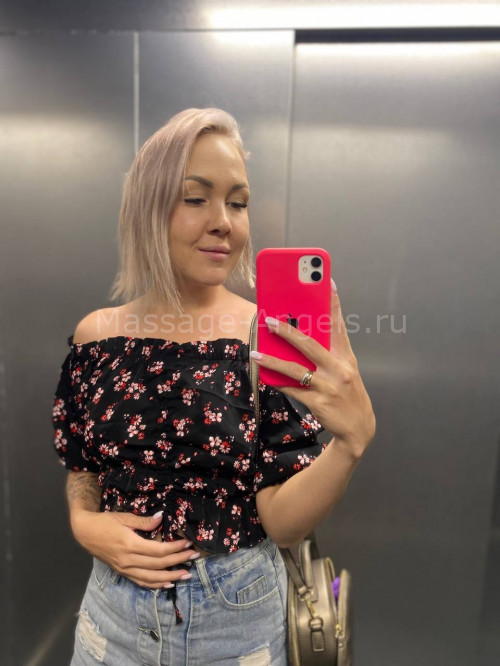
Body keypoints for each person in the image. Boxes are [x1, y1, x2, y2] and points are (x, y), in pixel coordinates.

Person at [51, 107, 376, 665]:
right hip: (110, 622)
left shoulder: (264, 339)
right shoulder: (95, 337)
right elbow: (83, 466)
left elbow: (281, 523)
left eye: (238, 202)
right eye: (196, 198)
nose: (224, 221)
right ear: (149, 207)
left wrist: (350, 445)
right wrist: (84, 523)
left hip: (235, 622)